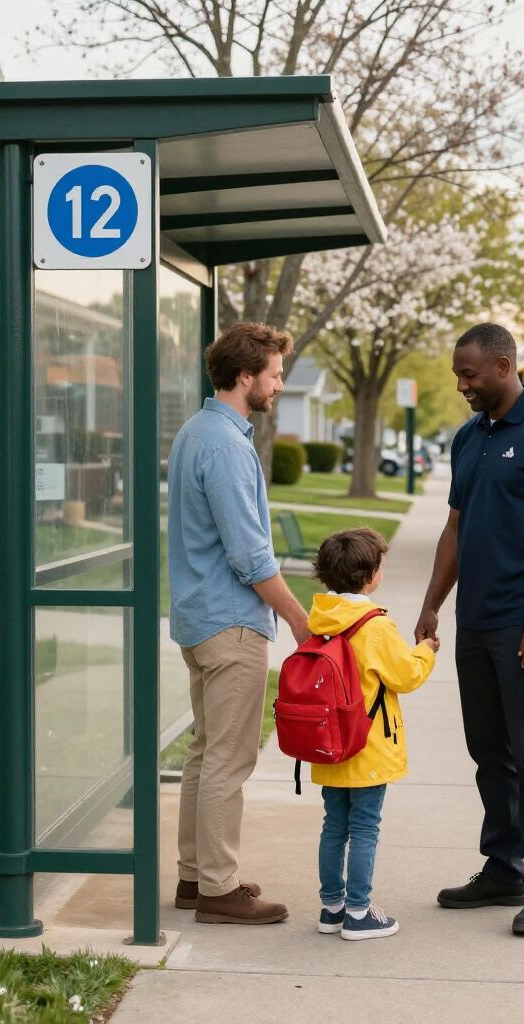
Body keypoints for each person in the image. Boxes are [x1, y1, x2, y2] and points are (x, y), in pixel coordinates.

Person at [414, 322, 524, 937]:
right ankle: (503, 867)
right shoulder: (470, 437)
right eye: (458, 375)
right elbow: (457, 527)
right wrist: (433, 602)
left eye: (470, 374)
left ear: (505, 365)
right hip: (476, 620)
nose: (462, 385)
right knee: (489, 750)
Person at [168, 321, 312, 926]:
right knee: (228, 759)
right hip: (230, 625)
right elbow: (251, 557)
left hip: (201, 621)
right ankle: (219, 891)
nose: (280, 384)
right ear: (246, 375)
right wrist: (303, 623)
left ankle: (196, 878)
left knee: (207, 754)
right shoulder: (226, 445)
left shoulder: (197, 432)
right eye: (275, 374)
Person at [306, 527, 438, 940]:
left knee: (334, 826)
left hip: (330, 744)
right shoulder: (374, 626)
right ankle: (360, 913)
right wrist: (426, 651)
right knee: (365, 828)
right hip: (367, 745)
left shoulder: (321, 619)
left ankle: (332, 908)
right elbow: (406, 675)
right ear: (371, 575)